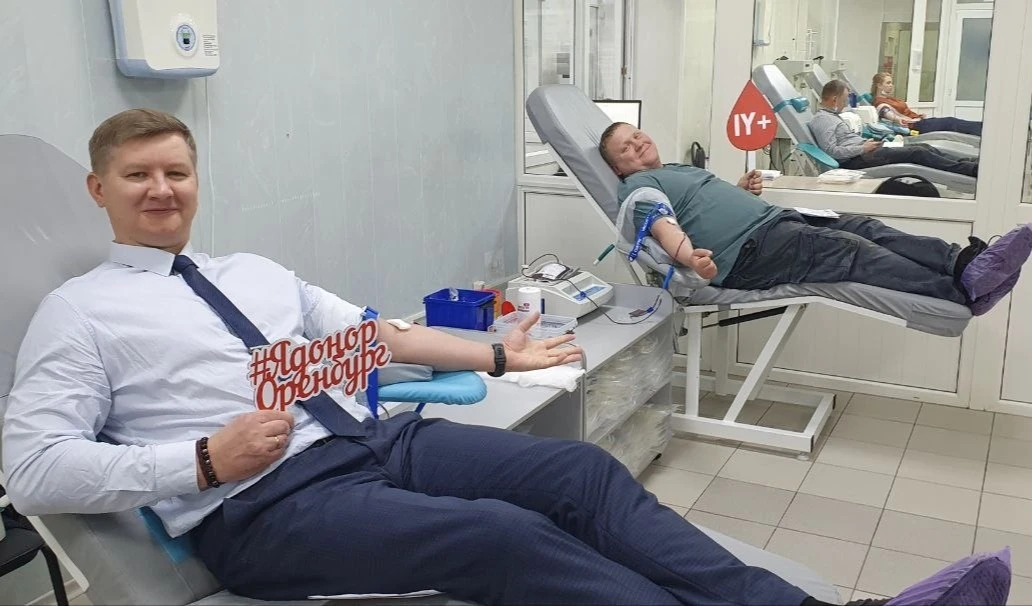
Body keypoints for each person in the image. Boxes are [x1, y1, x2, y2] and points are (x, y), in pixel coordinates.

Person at [0, 108, 1013, 606]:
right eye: (138, 176)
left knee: (579, 475)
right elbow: (33, 469)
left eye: (177, 171)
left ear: (196, 177)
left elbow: (378, 337)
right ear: (100, 191)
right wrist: (201, 460)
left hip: (376, 440)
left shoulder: (252, 273)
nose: (163, 190)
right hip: (260, 506)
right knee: (499, 538)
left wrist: (499, 355)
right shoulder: (79, 315)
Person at [598, 120, 1032, 316]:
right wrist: (691, 258)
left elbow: (696, 208)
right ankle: (960, 291)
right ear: (618, 168)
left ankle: (964, 262)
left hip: (773, 224)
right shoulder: (637, 187)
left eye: (636, 135)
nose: (637, 144)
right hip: (747, 255)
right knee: (851, 251)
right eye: (625, 149)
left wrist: (738, 191)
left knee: (865, 227)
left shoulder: (674, 169)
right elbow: (662, 225)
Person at [811, 80, 979, 178]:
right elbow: (832, 151)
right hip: (858, 160)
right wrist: (862, 148)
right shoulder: (823, 120)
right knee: (918, 153)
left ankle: (966, 162)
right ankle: (970, 170)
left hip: (866, 151)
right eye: (845, 99)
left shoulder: (832, 116)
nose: (847, 103)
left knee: (924, 147)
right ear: (834, 99)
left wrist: (865, 144)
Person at [871, 72, 982, 137]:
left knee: (951, 122)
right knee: (951, 123)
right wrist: (897, 119)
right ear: (879, 85)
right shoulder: (879, 102)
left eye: (891, 82)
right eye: (888, 83)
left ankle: (982, 129)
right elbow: (884, 111)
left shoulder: (889, 98)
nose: (891, 85)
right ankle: (983, 130)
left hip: (919, 122)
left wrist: (918, 115)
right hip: (915, 127)